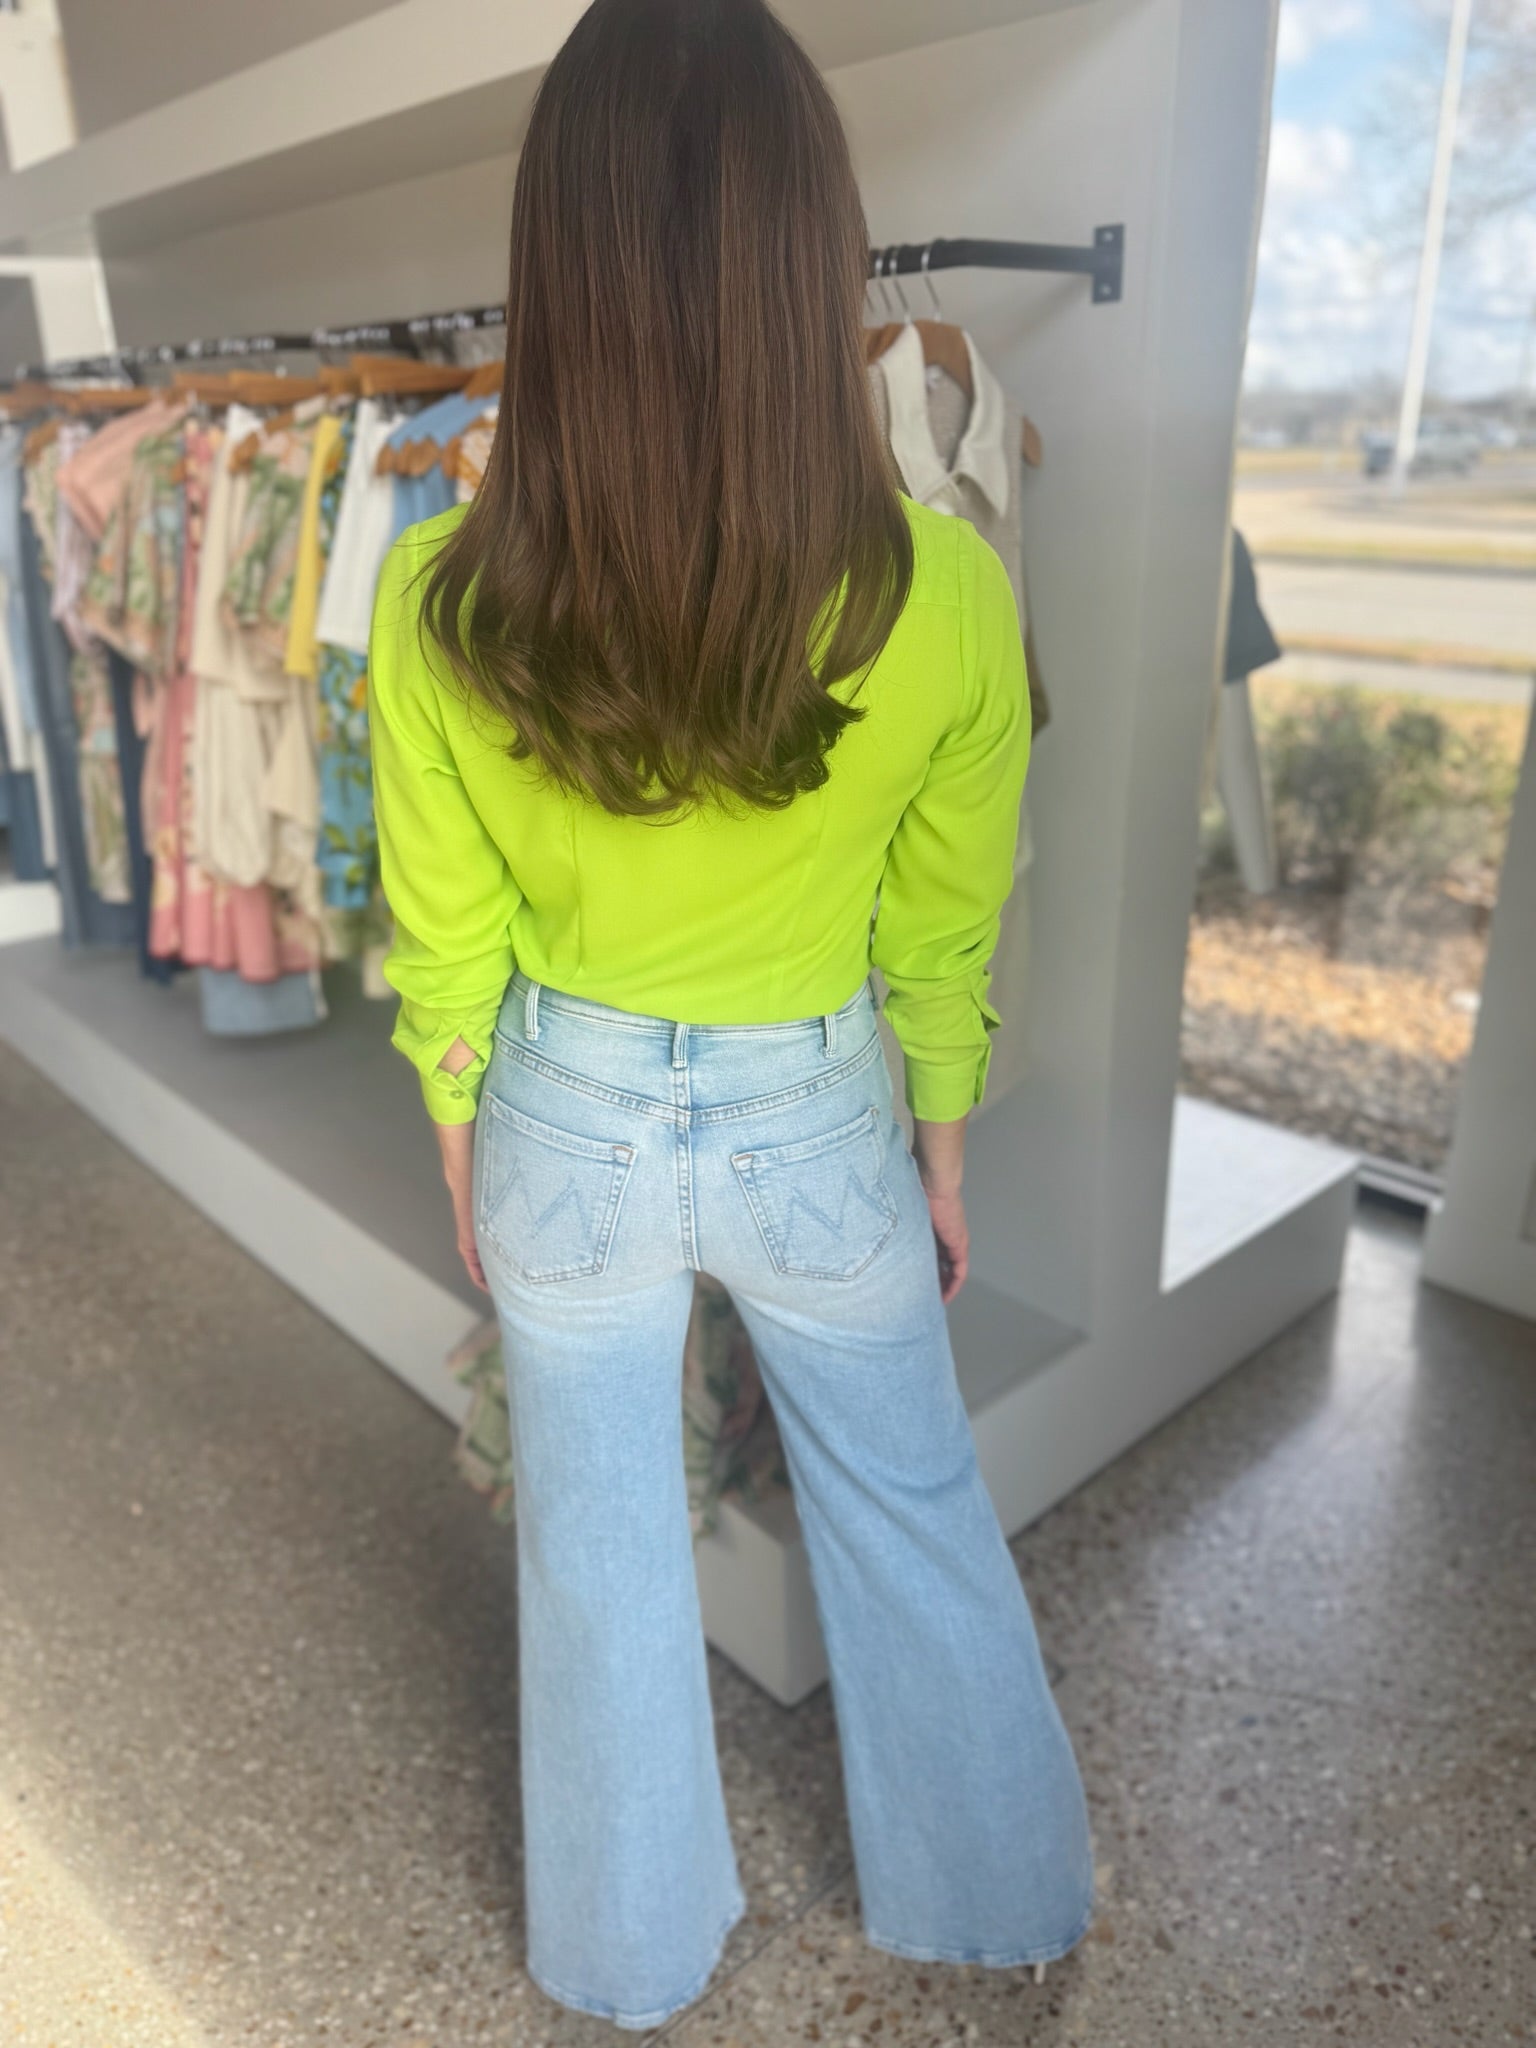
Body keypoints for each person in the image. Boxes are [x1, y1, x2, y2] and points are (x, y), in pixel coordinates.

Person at [367, 0, 1094, 2028]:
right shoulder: (944, 597)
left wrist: (463, 1141)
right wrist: (941, 1152)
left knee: (596, 1553)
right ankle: (998, 1900)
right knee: (911, 1511)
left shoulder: (438, 598)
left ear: (557, 264)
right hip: (819, 1120)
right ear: (808, 261)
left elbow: (449, 939)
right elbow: (945, 928)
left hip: (561, 1115)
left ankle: (625, 1955)